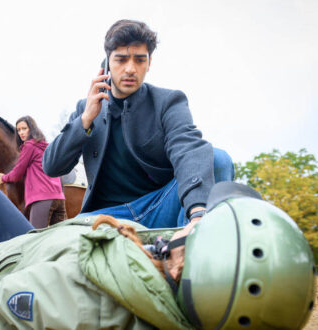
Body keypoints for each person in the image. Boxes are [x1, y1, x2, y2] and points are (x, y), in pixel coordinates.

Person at [0, 177, 315, 329]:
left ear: (181, 269)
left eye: (203, 228)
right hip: (37, 246)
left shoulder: (88, 299)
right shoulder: (163, 261)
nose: (195, 220)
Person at [43, 19, 235, 230]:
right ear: (107, 63)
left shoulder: (168, 102)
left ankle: (192, 244)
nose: (130, 69)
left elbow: (188, 148)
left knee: (218, 159)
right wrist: (85, 120)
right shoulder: (86, 108)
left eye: (139, 60)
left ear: (149, 63)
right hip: (104, 217)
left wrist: (198, 214)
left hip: (157, 209)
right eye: (121, 60)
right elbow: (52, 166)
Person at [0, 116, 66, 229]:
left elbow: (17, 173)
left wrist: (4, 178)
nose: (21, 133)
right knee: (59, 239)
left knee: (35, 239)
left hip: (43, 198)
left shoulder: (29, 146)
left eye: (24, 128)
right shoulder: (45, 146)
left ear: (32, 128)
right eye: (18, 130)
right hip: (59, 198)